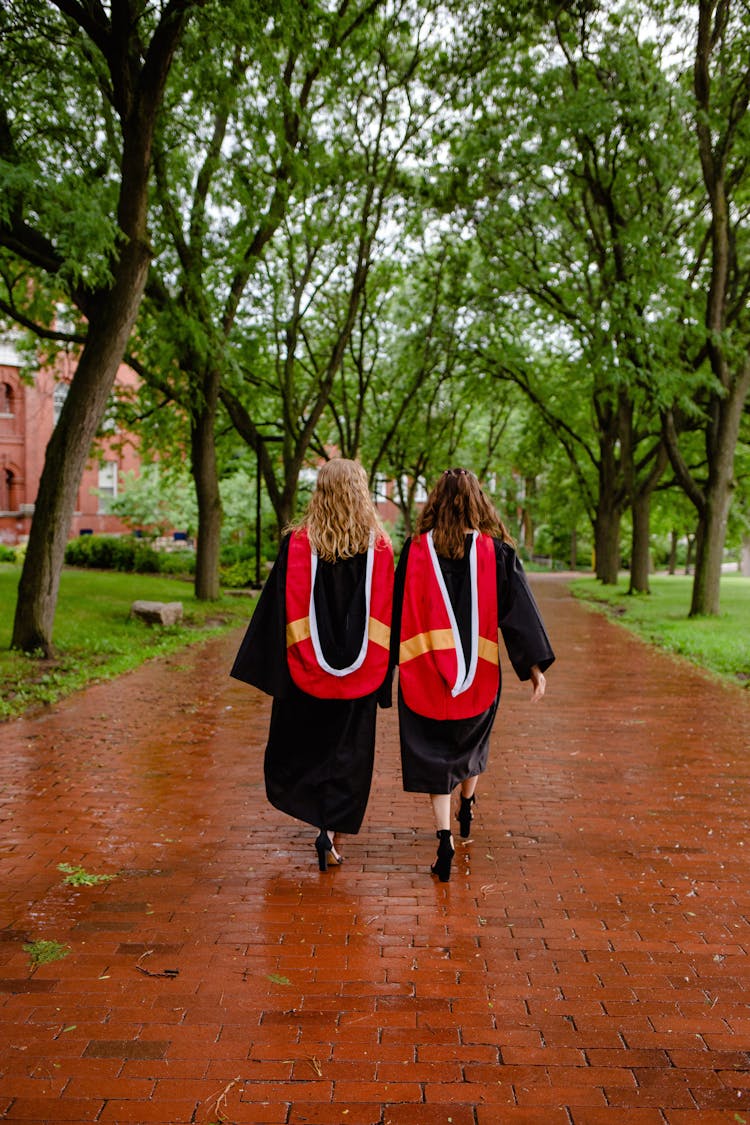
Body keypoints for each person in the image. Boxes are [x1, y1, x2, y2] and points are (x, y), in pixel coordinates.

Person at [391, 467, 554, 882]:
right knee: (469, 745)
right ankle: (469, 804)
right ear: (479, 502)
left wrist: (384, 669)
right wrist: (533, 666)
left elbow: (395, 611)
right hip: (479, 676)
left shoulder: (414, 551)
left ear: (436, 503)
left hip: (424, 672)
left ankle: (443, 835)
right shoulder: (497, 552)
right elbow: (519, 613)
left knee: (434, 755)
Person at [230, 458, 394, 871]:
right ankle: (334, 837)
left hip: (304, 670)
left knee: (310, 746)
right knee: (349, 752)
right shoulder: (379, 548)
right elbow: (389, 615)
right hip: (362, 675)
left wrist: (274, 669)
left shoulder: (298, 544)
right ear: (361, 491)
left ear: (319, 492)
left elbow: (276, 610)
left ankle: (318, 823)